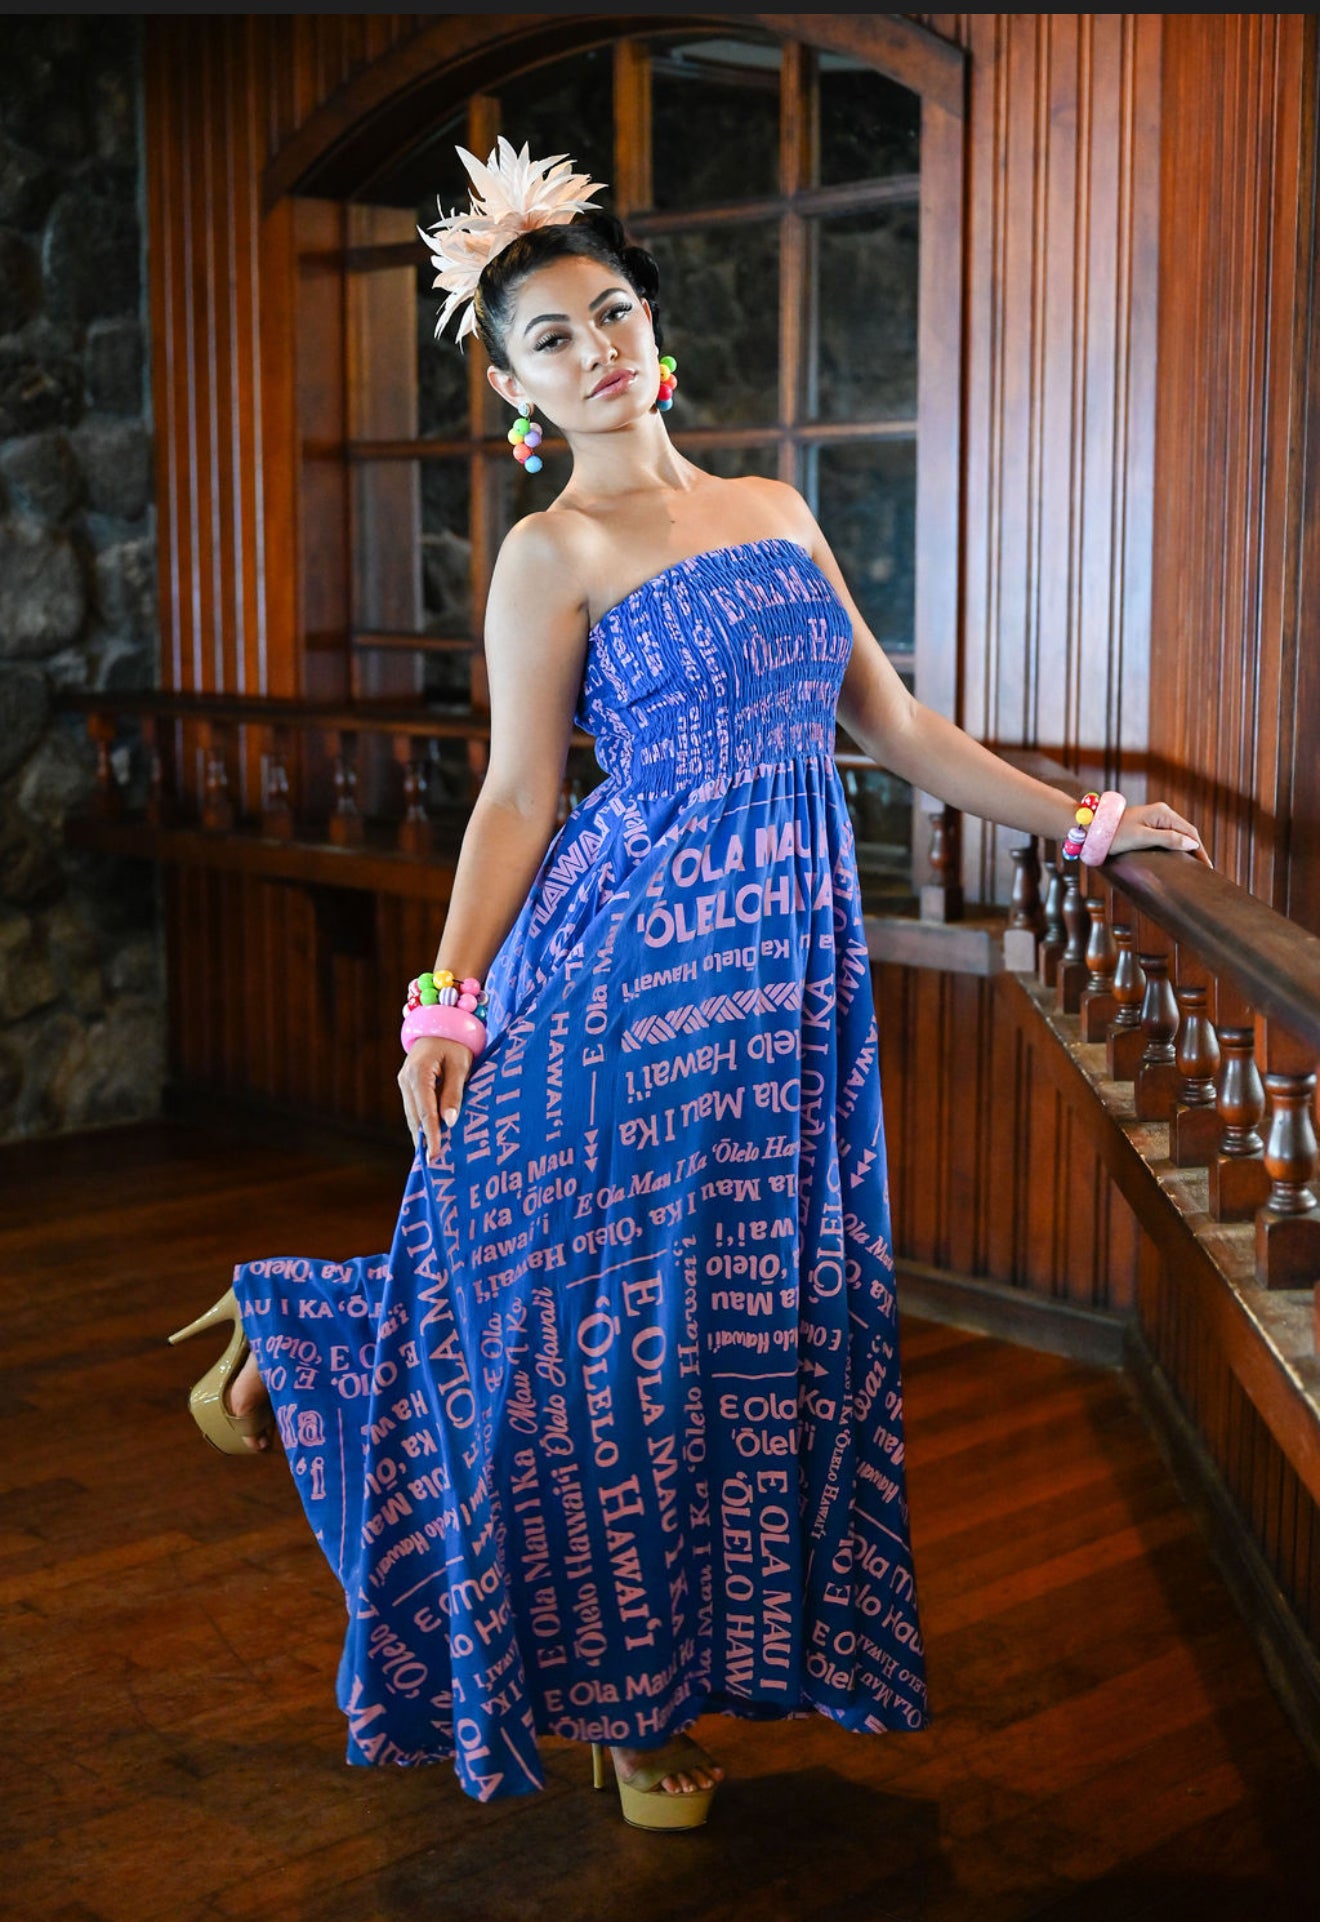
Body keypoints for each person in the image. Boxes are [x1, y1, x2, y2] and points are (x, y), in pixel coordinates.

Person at [168, 138, 1207, 1831]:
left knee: (727, 1339)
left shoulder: (773, 510)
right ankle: (624, 1704)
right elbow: (518, 796)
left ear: (655, 327)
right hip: (620, 975)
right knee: (600, 1336)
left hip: (780, 987)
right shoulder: (550, 551)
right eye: (551, 338)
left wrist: (1085, 819)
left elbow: (897, 726)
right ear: (512, 386)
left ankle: (296, 1346)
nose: (595, 350)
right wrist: (445, 999)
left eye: (612, 313)